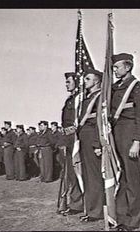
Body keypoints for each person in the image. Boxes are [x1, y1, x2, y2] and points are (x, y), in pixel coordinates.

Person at [111, 53, 140, 231]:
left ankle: (133, 222)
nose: (115, 70)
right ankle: (121, 217)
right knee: (121, 178)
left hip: (129, 136)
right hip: (116, 135)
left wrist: (136, 141)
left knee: (132, 180)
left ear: (128, 67)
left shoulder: (138, 88)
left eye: (117, 67)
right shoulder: (113, 88)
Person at [78, 68, 104, 222]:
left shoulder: (99, 97)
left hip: (92, 139)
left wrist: (96, 144)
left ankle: (96, 211)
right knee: (87, 176)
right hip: (84, 139)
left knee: (94, 176)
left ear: (96, 81)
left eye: (88, 79)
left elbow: (98, 122)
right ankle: (91, 208)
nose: (84, 81)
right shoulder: (88, 98)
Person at [58, 72, 84, 215]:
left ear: (77, 82)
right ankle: (75, 203)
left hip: (77, 139)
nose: (66, 84)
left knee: (79, 171)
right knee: (70, 173)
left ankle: (81, 203)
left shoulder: (80, 99)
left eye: (69, 82)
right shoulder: (70, 99)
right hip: (69, 139)